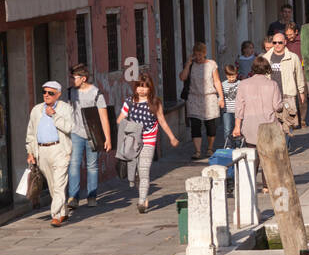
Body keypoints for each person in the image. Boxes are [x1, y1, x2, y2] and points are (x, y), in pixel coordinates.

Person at [119, 72, 179, 213]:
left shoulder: (155, 103)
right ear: (135, 87)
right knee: (135, 174)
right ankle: (143, 194)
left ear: (150, 88)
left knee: (144, 170)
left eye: (145, 87)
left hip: (148, 141)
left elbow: (162, 121)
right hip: (132, 143)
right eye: (139, 86)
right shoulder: (129, 102)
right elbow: (119, 120)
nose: (142, 89)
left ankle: (141, 201)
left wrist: (172, 137)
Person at [25, 80, 73, 226]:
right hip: (42, 151)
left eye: (50, 93)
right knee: (53, 185)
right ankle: (62, 212)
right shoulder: (36, 110)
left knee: (59, 184)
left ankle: (55, 216)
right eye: (44, 92)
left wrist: (54, 115)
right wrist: (30, 152)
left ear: (58, 94)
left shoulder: (65, 108)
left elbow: (69, 127)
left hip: (59, 149)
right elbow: (31, 133)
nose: (46, 95)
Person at [67, 64, 111, 209]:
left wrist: (108, 138)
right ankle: (73, 197)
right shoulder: (70, 93)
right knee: (74, 164)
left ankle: (92, 196)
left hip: (93, 135)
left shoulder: (96, 93)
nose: (72, 80)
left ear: (83, 78)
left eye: (74, 78)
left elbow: (104, 117)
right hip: (75, 133)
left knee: (92, 166)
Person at [233, 56, 283, 182]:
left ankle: (250, 183)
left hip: (250, 125)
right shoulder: (273, 85)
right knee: (268, 157)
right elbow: (277, 107)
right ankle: (267, 185)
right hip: (268, 125)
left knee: (252, 156)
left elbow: (239, 108)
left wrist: (237, 126)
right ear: (267, 69)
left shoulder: (243, 84)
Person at [180, 42, 224, 162]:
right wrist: (188, 63)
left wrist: (221, 97)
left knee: (210, 125)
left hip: (209, 97)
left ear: (205, 54)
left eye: (200, 55)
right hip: (194, 98)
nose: (198, 57)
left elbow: (217, 81)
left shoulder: (211, 64)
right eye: (196, 55)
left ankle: (210, 148)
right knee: (195, 125)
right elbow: (182, 77)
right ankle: (198, 151)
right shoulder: (191, 65)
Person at [262, 31, 305, 134]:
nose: (277, 45)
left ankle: (286, 146)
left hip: (287, 95)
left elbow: (299, 75)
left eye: (280, 42)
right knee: (273, 122)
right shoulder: (265, 58)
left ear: (285, 42)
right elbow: (262, 77)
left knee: (288, 123)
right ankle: (277, 145)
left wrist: (301, 91)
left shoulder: (293, 57)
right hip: (271, 96)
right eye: (275, 42)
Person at [283, 22, 308, 126]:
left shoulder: (303, 41)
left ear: (296, 32)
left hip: (302, 70)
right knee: (290, 95)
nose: (289, 37)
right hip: (288, 70)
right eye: (287, 35)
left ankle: (302, 119)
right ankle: (293, 119)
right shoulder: (285, 42)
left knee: (302, 95)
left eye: (291, 34)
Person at [222, 62, 240, 144]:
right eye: (229, 76)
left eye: (233, 76)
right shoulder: (223, 84)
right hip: (227, 111)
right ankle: (228, 145)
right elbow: (220, 95)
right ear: (226, 75)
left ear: (236, 74)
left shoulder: (240, 83)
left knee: (238, 129)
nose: (232, 78)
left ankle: (238, 144)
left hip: (238, 111)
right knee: (227, 129)